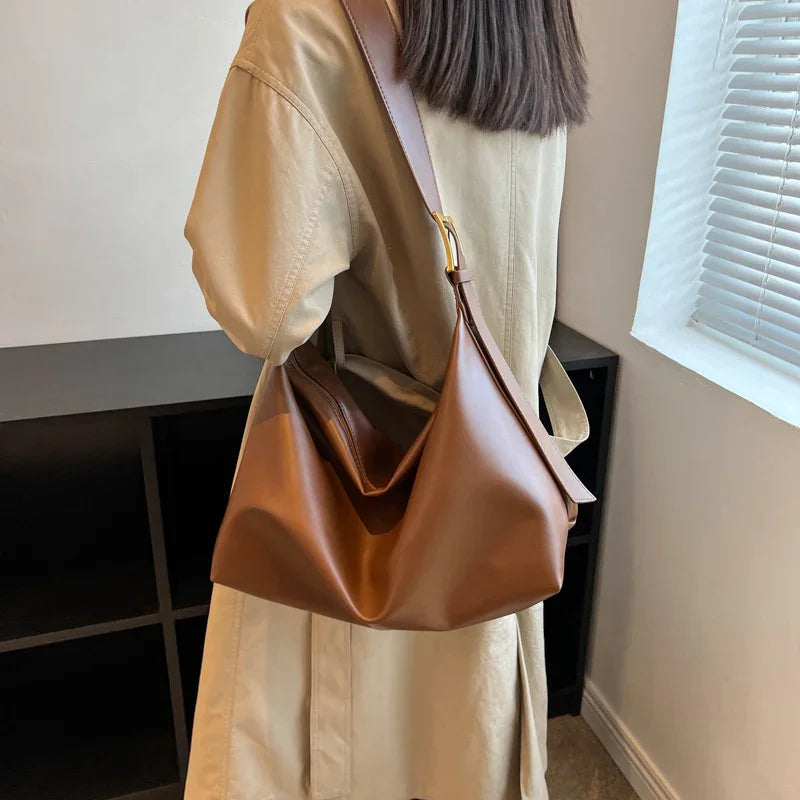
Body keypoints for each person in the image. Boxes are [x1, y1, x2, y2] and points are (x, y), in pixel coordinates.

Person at [183, 0, 588, 797]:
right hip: (498, 467)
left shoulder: (308, 20)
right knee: (465, 745)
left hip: (362, 489)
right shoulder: (533, 22)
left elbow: (263, 310)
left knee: (350, 753)